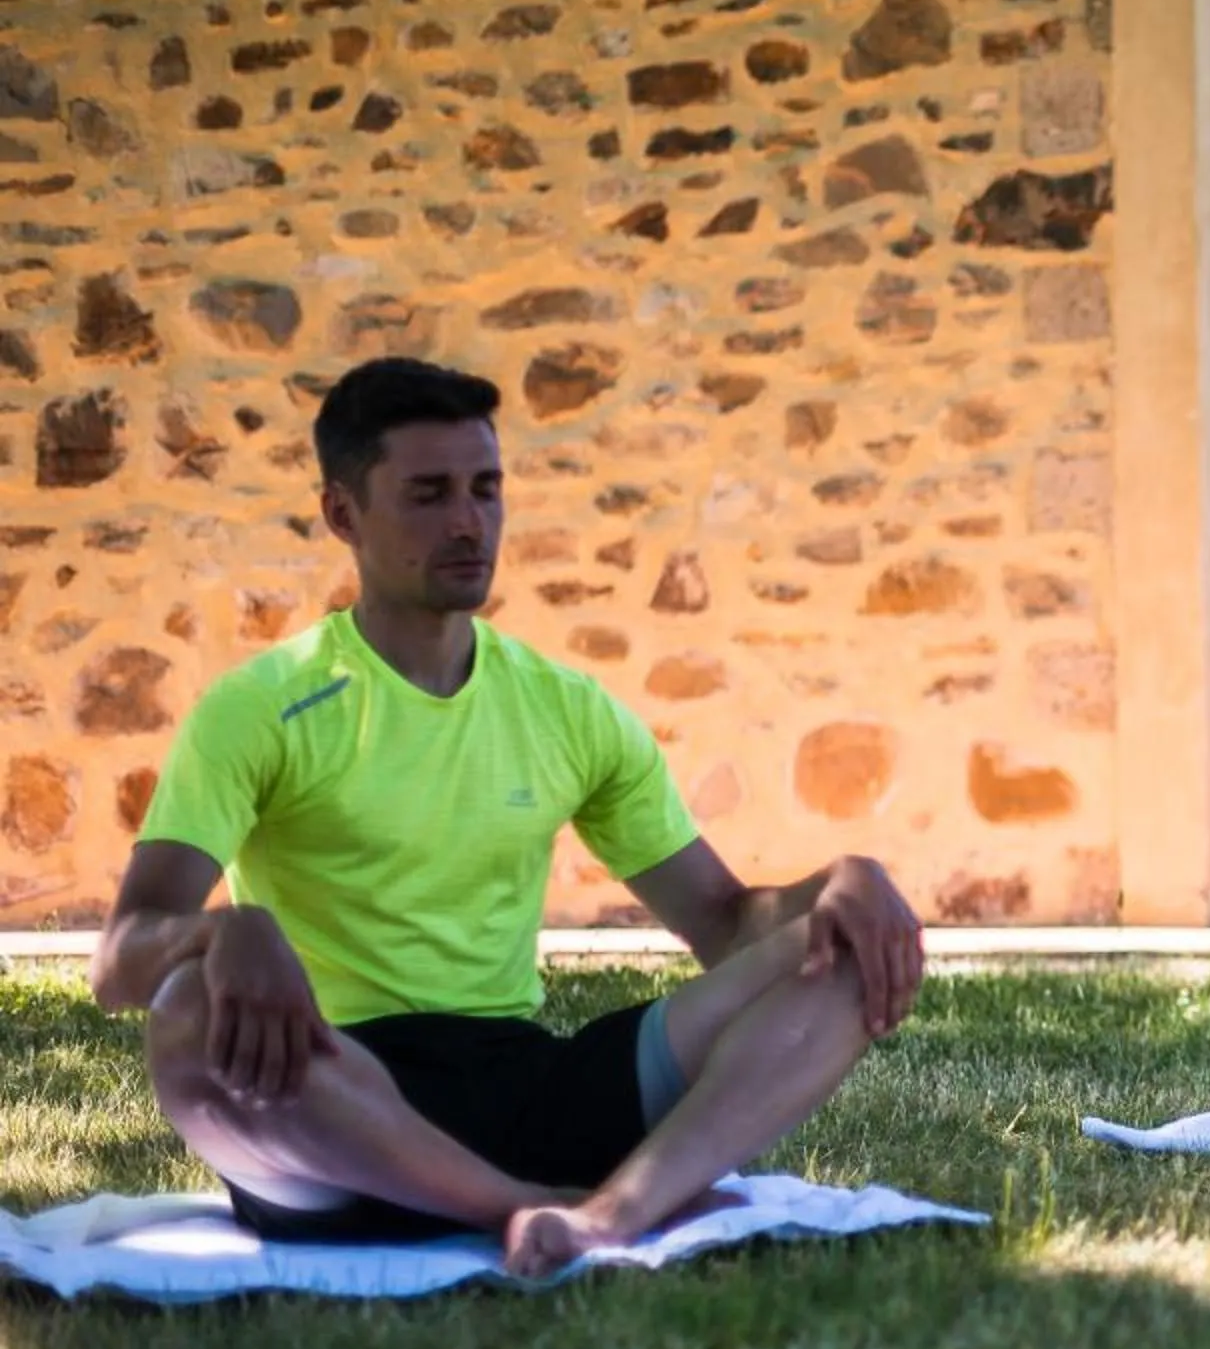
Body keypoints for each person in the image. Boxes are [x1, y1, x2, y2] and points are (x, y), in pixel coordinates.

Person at [88, 358, 927, 1280]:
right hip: (332, 1112)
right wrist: (221, 935)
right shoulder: (263, 705)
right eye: (429, 494)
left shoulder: (566, 708)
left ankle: (607, 1214)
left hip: (529, 1087)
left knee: (846, 946)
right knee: (183, 1013)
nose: (468, 521)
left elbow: (726, 926)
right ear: (342, 514)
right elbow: (120, 960)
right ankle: (525, 1208)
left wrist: (838, 885)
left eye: (485, 489)